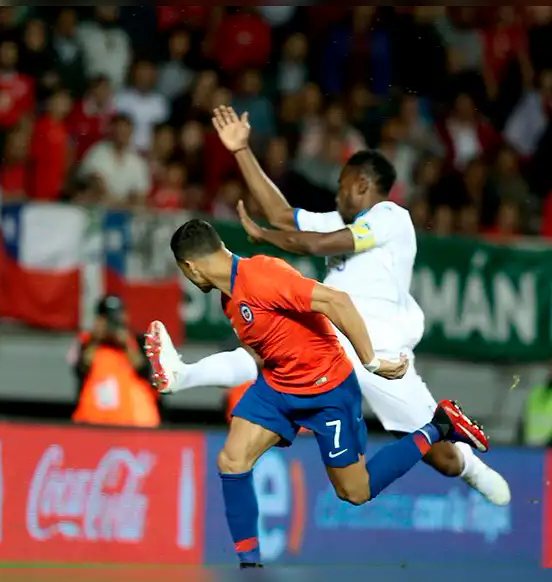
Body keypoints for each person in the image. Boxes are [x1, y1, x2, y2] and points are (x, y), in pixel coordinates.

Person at [149, 105, 510, 506]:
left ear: (361, 183)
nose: (337, 194)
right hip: (332, 340)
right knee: (263, 353)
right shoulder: (339, 220)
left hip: (379, 348)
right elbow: (280, 214)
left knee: (441, 458)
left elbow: (316, 244)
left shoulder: (390, 217)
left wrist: (267, 237)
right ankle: (183, 375)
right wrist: (241, 151)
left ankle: (470, 465)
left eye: (342, 185)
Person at [150, 219, 489, 568]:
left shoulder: (261, 276)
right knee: (232, 461)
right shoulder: (230, 298)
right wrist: (192, 374)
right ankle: (249, 567)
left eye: (183, 271)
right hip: (279, 385)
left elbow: (336, 300)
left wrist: (372, 362)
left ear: (190, 267)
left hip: (327, 391)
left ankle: (441, 426)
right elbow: (258, 352)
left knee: (355, 491)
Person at [70, 295, 158, 427]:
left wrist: (126, 344)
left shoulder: (139, 341)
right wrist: (95, 340)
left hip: (134, 421)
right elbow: (81, 370)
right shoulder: (87, 341)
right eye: (107, 319)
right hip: (93, 421)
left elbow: (145, 372)